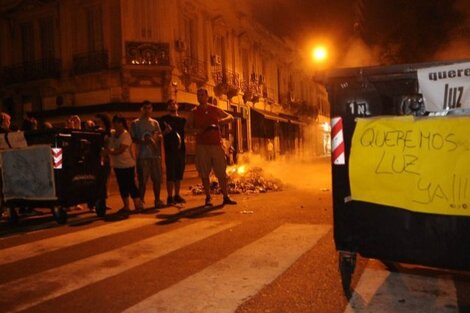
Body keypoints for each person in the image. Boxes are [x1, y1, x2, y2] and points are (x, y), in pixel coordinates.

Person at [187, 88, 237, 208]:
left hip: (216, 145)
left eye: (202, 94)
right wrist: (195, 130)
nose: (200, 97)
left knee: (221, 172)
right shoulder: (194, 112)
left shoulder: (214, 109)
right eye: (198, 95)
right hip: (202, 146)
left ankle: (226, 196)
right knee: (204, 173)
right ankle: (208, 197)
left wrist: (221, 122)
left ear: (207, 96)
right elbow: (187, 128)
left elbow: (230, 117)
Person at [130, 100, 165, 209]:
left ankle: (157, 200)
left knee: (157, 180)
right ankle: (141, 201)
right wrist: (143, 141)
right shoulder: (135, 123)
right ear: (141, 109)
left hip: (155, 155)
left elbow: (159, 136)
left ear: (152, 109)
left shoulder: (155, 123)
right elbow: (132, 138)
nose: (147, 110)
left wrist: (158, 137)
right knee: (142, 181)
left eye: (149, 108)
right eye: (145, 108)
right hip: (142, 156)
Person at [106, 114, 143, 214]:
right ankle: (126, 206)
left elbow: (120, 150)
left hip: (127, 165)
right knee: (122, 186)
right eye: (114, 122)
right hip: (117, 165)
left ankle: (138, 204)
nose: (115, 124)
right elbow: (106, 137)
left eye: (117, 122)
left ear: (122, 123)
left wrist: (108, 151)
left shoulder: (126, 135)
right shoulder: (112, 134)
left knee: (131, 185)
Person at [158, 99, 187, 206]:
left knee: (179, 173)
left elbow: (187, 133)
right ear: (167, 107)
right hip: (169, 150)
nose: (172, 106)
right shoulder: (163, 120)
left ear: (177, 106)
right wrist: (166, 131)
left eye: (174, 103)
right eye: (170, 104)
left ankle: (177, 195)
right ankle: (170, 197)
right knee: (171, 174)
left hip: (181, 150)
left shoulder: (183, 120)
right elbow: (159, 135)